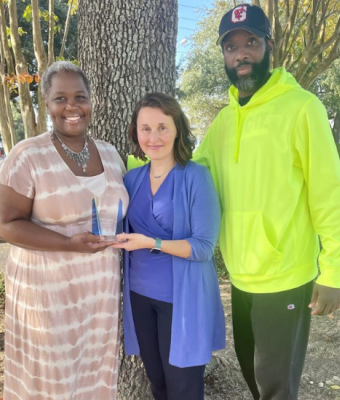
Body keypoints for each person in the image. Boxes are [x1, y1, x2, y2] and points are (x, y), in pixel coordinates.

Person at [193, 4, 340, 400]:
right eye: (231, 47)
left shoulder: (303, 108)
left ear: (269, 46)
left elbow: (330, 196)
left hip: (286, 277)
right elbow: (189, 170)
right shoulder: (224, 122)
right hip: (240, 276)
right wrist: (134, 168)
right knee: (255, 380)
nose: (241, 54)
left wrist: (333, 272)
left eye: (250, 43)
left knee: (276, 388)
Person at [0, 61, 129, 399]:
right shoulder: (28, 156)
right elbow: (6, 224)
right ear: (46, 103)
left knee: (93, 380)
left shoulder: (113, 156)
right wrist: (68, 243)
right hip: (47, 301)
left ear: (91, 101)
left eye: (80, 97)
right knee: (51, 384)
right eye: (61, 98)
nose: (72, 107)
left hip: (98, 302)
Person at [113, 93, 225, 400]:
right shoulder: (131, 179)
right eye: (145, 128)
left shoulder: (195, 177)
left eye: (163, 127)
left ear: (177, 129)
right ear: (136, 132)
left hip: (181, 300)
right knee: (158, 383)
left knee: (183, 389)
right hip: (139, 298)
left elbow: (203, 247)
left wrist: (152, 242)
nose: (154, 137)